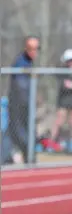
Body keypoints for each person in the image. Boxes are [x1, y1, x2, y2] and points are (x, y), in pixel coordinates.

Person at [1, 36, 40, 165]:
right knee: (20, 132)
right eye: (31, 48)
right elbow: (21, 87)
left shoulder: (29, 62)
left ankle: (10, 157)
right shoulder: (20, 62)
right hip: (18, 106)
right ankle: (29, 157)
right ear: (25, 48)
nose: (34, 52)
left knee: (13, 133)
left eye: (36, 49)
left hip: (25, 105)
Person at [47, 49, 72, 154]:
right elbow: (57, 78)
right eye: (69, 60)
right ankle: (51, 144)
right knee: (58, 122)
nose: (71, 62)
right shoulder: (62, 71)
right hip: (63, 100)